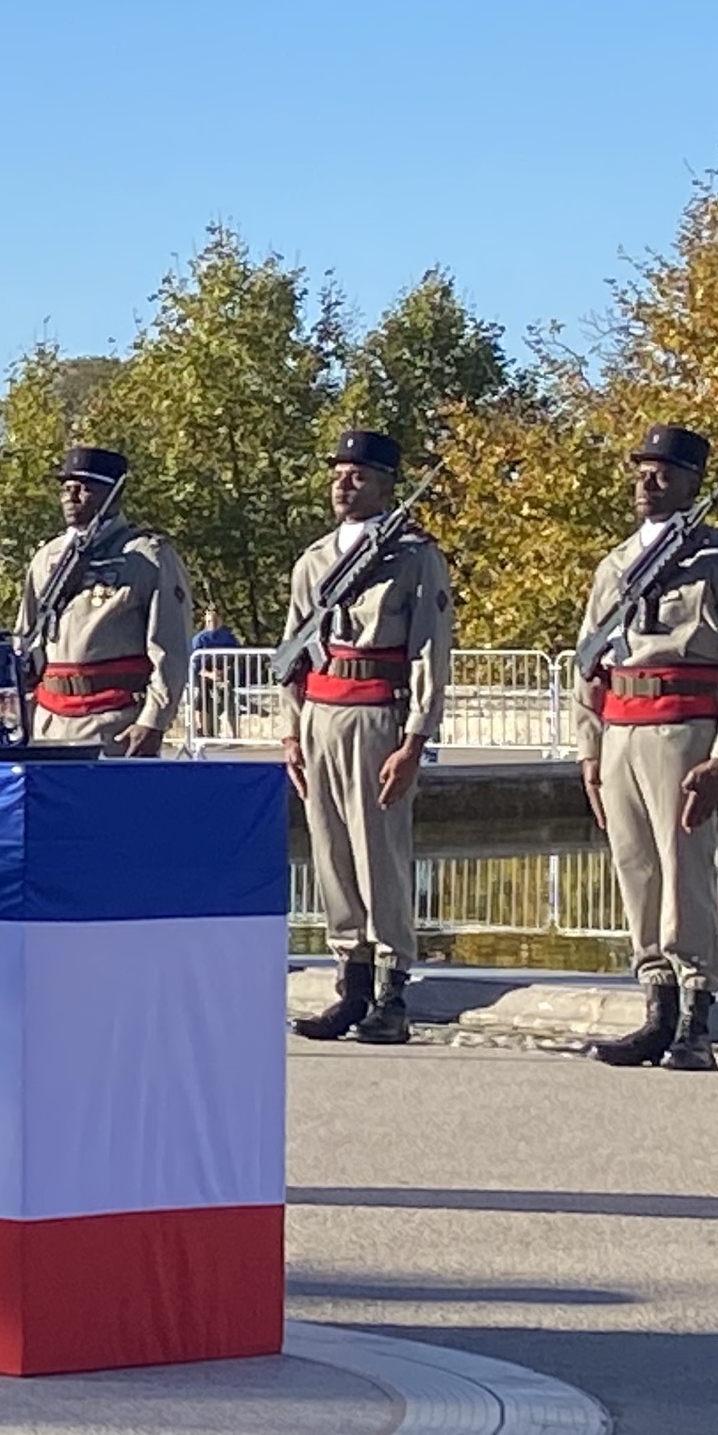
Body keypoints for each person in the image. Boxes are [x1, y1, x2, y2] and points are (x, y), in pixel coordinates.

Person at [578, 423, 718, 1071]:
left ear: (694, 481)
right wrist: (589, 749)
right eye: (641, 467)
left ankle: (696, 1015)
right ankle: (655, 1008)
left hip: (684, 727)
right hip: (621, 730)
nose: (648, 479)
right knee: (637, 871)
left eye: (664, 470)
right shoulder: (615, 566)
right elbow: (590, 664)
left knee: (685, 869)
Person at [283, 431, 455, 1047]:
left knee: (379, 851)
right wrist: (290, 729)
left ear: (386, 485)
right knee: (330, 851)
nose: (343, 484)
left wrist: (415, 738)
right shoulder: (314, 561)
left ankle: (391, 989)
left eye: (358, 475)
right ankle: (349, 981)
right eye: (338, 474)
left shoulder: (413, 557)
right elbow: (295, 655)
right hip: (321, 714)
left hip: (378, 711)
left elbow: (431, 652)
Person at [15, 446, 194, 754]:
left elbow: (170, 647)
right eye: (66, 488)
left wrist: (154, 720)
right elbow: (27, 635)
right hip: (49, 722)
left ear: (113, 493)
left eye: (84, 488)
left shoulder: (147, 556)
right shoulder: (47, 558)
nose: (71, 497)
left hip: (114, 721)